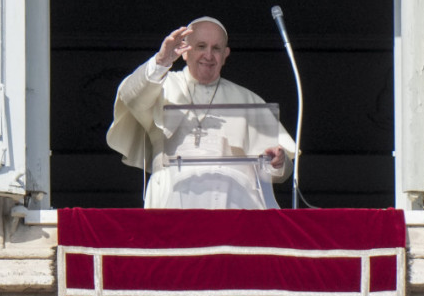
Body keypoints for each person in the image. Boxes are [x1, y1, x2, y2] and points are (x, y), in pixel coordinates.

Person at [106, 16, 295, 209]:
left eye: (216, 48)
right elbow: (131, 97)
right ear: (185, 51)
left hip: (234, 204)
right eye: (201, 46)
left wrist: (278, 162)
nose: (209, 55)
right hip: (173, 198)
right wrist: (161, 61)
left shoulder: (247, 98)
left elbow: (281, 171)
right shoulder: (161, 85)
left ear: (225, 55)